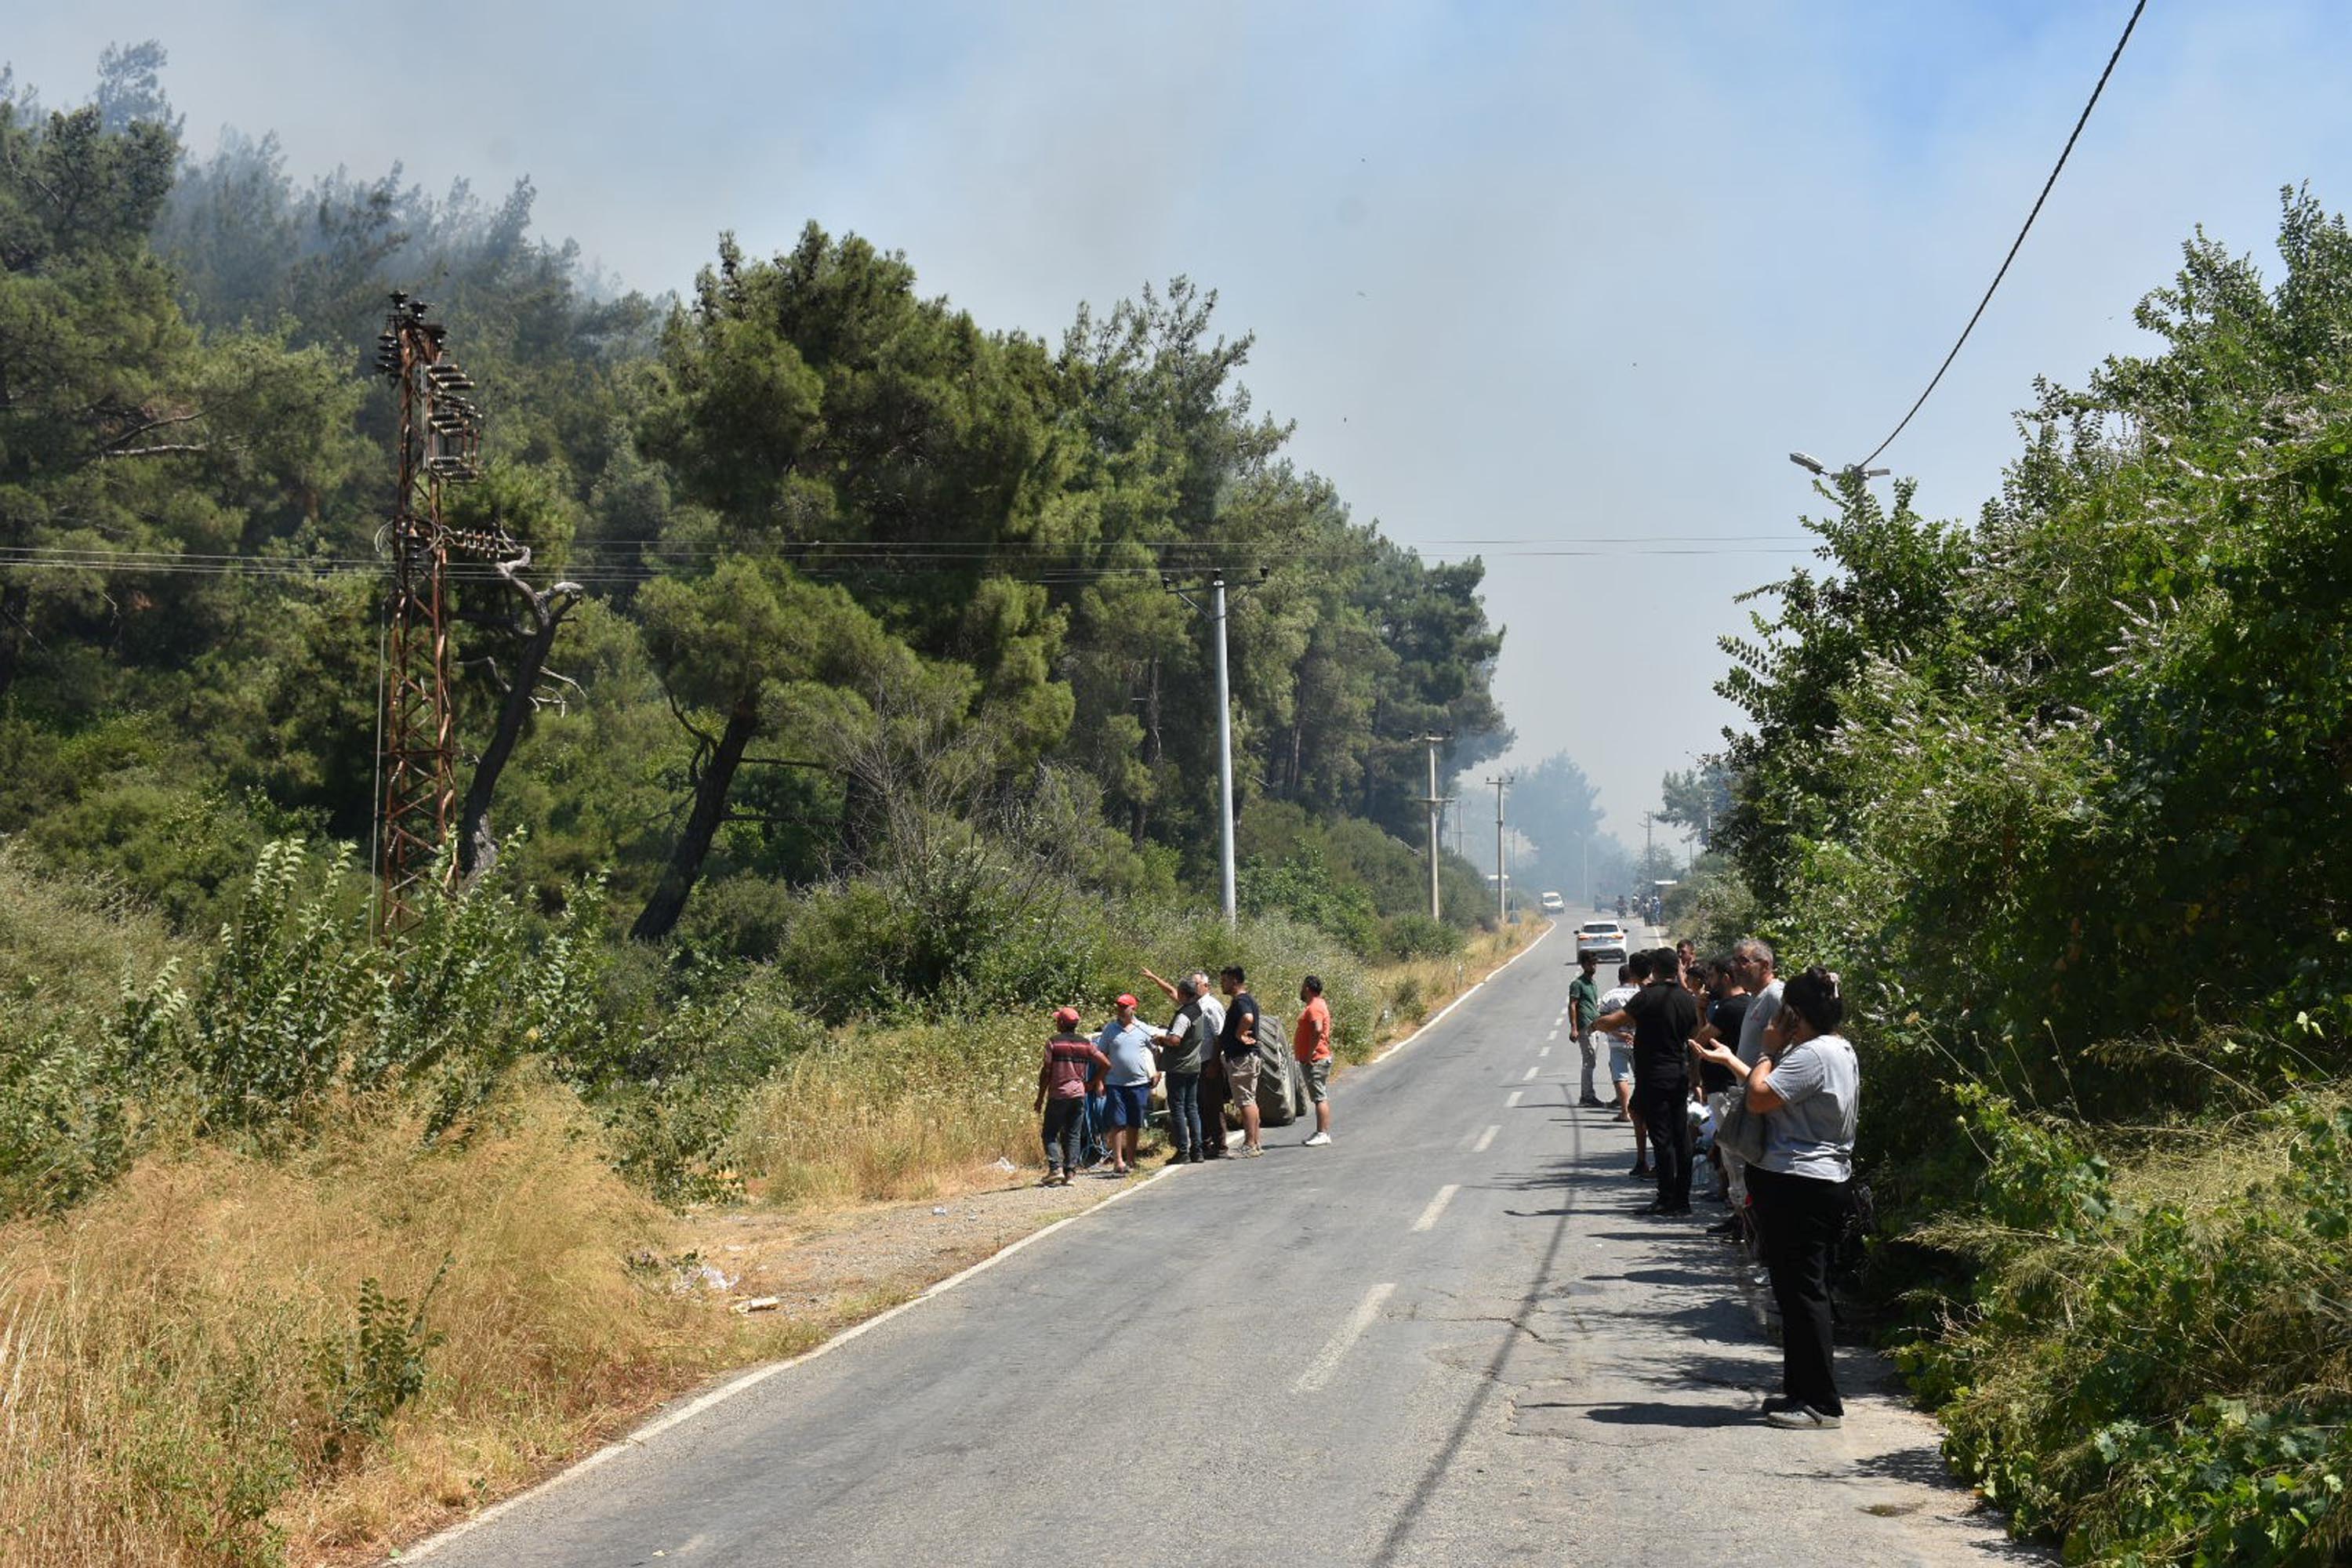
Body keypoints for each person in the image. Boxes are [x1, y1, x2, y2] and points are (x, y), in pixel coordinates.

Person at [1697, 966, 1858, 1429]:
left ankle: (1822, 1404)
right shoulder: (1835, 1049)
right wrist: (1736, 1060)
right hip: (1809, 1181)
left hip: (1801, 1182)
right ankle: (1799, 1391)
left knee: (1804, 1293)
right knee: (1794, 1292)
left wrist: (1768, 1049)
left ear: (1795, 1012)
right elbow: (1773, 1090)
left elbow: (1760, 1098)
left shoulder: (1811, 1054)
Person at [1597, 946, 1700, 1215]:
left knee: (1662, 1138)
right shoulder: (1688, 1000)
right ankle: (1683, 1200)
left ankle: (1666, 1198)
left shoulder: (1646, 998)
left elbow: (1614, 1022)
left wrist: (1596, 1023)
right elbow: (1695, 1041)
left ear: (1654, 969)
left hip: (1654, 1076)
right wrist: (1695, 1076)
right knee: (1681, 1137)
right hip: (1679, 1073)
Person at [1719, 937, 1784, 1231]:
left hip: (1761, 1097)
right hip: (1745, 1092)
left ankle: (1757, 1233)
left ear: (1765, 965)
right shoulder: (1756, 996)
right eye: (1735, 961)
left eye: (1743, 961)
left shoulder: (1775, 995)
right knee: (1738, 1165)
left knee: (1751, 1167)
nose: (1736, 967)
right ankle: (1745, 1225)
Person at [1692, 958, 1751, 1210]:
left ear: (1726, 978)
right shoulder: (1747, 1003)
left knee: (1733, 1154)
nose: (1709, 982)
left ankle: (1740, 1215)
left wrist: (1700, 1011)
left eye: (1713, 976)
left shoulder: (1728, 1008)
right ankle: (1737, 1209)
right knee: (1731, 1153)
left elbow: (1700, 1040)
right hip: (1732, 1086)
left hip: (1727, 1090)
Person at [1143, 967, 1219, 1163]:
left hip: (1179, 1067)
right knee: (1192, 1108)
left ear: (1185, 994)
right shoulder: (1198, 1010)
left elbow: (1175, 1040)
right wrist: (1154, 978)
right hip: (1193, 1066)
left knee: (1178, 1109)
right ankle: (1198, 1150)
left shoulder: (1184, 1015)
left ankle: (1183, 1151)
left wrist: (1161, 1039)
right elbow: (1172, 993)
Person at [1033, 1005, 1109, 1187]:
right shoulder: (1085, 1043)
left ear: (1060, 1023)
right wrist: (1091, 1083)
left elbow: (1046, 1071)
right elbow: (1106, 1064)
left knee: (1050, 1133)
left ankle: (1055, 1169)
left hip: (1058, 1094)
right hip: (1078, 1095)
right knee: (1073, 1134)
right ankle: (1070, 1174)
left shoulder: (1053, 1042)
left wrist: (1040, 1097)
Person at [1095, 993, 1160, 1175]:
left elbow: (1156, 1050)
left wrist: (1157, 1071)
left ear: (1134, 1008)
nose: (1121, 1009)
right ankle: (1118, 1161)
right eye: (1119, 1006)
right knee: (1117, 1123)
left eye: (1125, 1006)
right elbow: (1102, 1056)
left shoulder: (1144, 1029)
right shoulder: (1110, 1029)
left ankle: (1131, 1159)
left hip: (1139, 1083)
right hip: (1115, 1083)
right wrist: (1100, 1081)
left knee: (1134, 1122)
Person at [1597, 956, 1646, 1173]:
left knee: (1620, 1075)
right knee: (1641, 1076)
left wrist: (1617, 1032)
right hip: (1640, 1041)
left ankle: (1625, 1111)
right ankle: (1642, 1109)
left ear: (1619, 977)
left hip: (1617, 1043)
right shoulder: (1641, 994)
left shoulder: (1610, 995)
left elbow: (1601, 1020)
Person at [1218, 965, 1265, 1158]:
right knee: (1250, 1101)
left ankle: (1250, 1143)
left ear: (1234, 981)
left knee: (1245, 1102)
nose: (1222, 984)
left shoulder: (1240, 1001)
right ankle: (1255, 1142)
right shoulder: (1247, 999)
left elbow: (1248, 1017)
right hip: (1247, 1057)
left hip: (1241, 1058)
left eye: (1224, 980)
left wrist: (1238, 1034)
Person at [1294, 974, 1334, 1145]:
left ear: (1308, 989)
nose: (1301, 990)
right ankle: (1320, 1131)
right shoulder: (1318, 1004)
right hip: (1316, 1057)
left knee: (1319, 1097)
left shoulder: (1315, 1007)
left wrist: (1309, 1054)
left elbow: (1317, 1030)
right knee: (1319, 1095)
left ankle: (1323, 1133)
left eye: (1303, 987)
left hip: (1316, 1059)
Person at [1568, 952, 1607, 1108]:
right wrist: (1574, 1028)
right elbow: (1572, 1005)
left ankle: (1587, 1094)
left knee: (1591, 1061)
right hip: (1585, 1027)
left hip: (1595, 1026)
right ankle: (1587, 1096)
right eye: (1590, 964)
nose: (1593, 966)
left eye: (1595, 964)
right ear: (1583, 965)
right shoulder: (1578, 984)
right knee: (1589, 1061)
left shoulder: (1592, 983)